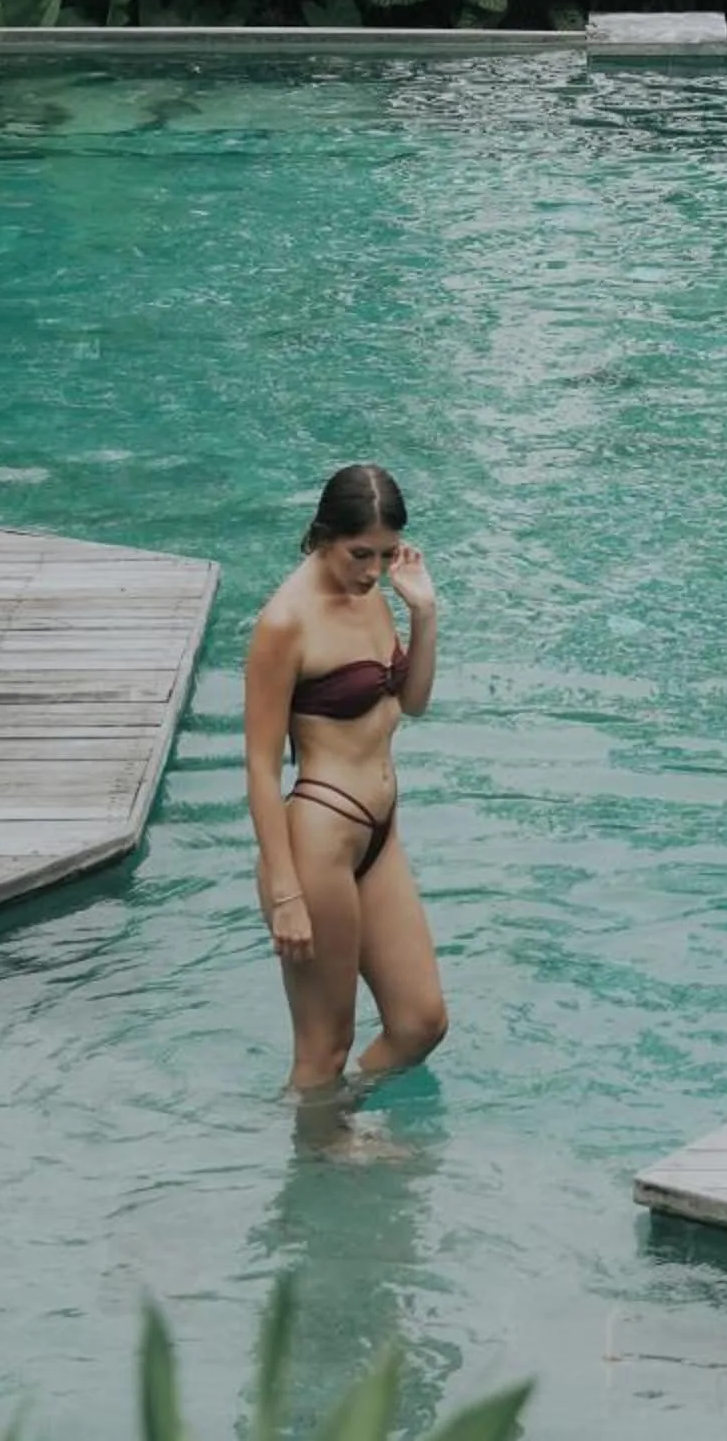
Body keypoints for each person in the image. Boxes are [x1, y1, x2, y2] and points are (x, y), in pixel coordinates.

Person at [244, 461, 448, 1094]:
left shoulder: (376, 597)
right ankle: (317, 1164)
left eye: (386, 556)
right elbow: (259, 762)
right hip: (317, 844)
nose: (371, 571)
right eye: (360, 553)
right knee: (324, 1048)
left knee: (420, 1023)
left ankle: (333, 1128)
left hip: (379, 834)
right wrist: (285, 893)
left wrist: (424, 612)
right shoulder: (285, 622)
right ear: (323, 535)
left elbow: (409, 702)